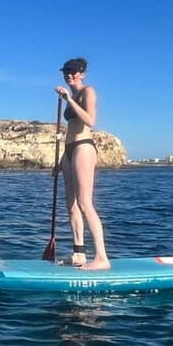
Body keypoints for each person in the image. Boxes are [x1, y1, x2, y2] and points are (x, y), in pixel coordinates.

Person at [55, 58, 110, 270]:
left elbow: (90, 120)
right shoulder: (69, 94)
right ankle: (79, 254)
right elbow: (70, 128)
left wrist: (69, 99)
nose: (69, 74)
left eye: (73, 71)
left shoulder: (88, 91)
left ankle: (102, 258)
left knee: (85, 203)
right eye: (66, 71)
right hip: (69, 150)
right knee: (71, 205)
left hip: (83, 147)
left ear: (82, 74)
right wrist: (61, 160)